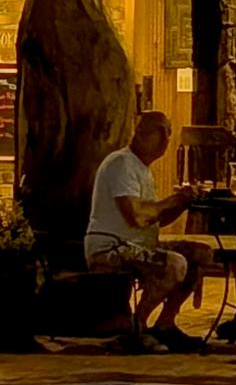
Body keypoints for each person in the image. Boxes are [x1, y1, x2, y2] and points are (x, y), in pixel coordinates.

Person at [85, 110, 213, 353]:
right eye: (159, 131)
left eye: (169, 132)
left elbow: (155, 219)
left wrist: (182, 203)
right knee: (174, 263)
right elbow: (137, 216)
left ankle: (166, 323)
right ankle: (137, 328)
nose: (166, 139)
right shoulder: (121, 164)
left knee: (200, 253)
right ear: (139, 133)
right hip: (111, 247)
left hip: (138, 243)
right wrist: (171, 200)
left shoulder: (143, 169)